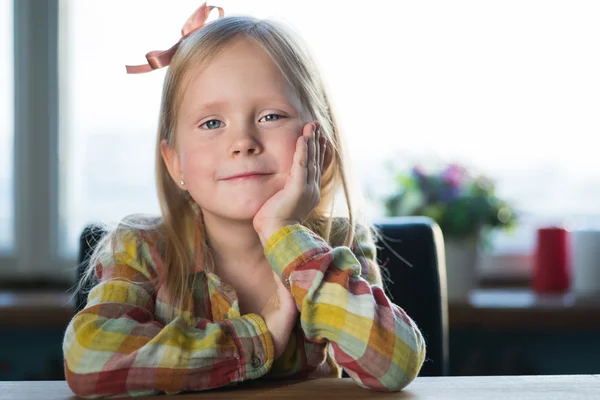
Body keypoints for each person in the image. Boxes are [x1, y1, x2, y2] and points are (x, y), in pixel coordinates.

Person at [62, 3, 426, 397]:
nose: (243, 143)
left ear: (321, 145)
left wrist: (283, 232)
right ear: (174, 163)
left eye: (271, 116)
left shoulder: (338, 241)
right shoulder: (141, 248)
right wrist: (259, 336)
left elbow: (394, 364)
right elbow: (89, 359)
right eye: (212, 123)